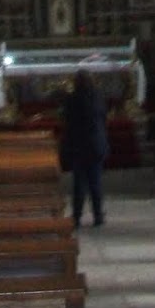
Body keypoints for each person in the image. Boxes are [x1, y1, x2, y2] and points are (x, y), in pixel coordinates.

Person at [61, 68, 108, 228]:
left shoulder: (72, 99)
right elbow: (103, 117)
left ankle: (76, 217)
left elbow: (66, 120)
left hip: (78, 145)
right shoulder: (98, 97)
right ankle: (98, 215)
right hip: (96, 144)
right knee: (95, 182)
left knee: (79, 184)